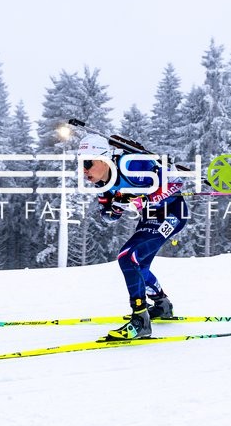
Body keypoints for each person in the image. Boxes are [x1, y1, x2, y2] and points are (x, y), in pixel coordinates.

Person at [79, 134, 189, 340]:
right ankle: (162, 305)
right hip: (151, 218)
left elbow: (175, 183)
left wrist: (146, 198)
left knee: (127, 256)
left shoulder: (132, 164)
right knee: (138, 264)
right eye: (81, 164)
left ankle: (140, 320)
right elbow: (108, 217)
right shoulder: (103, 184)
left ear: (104, 158)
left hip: (173, 214)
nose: (84, 170)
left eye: (88, 163)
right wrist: (118, 207)